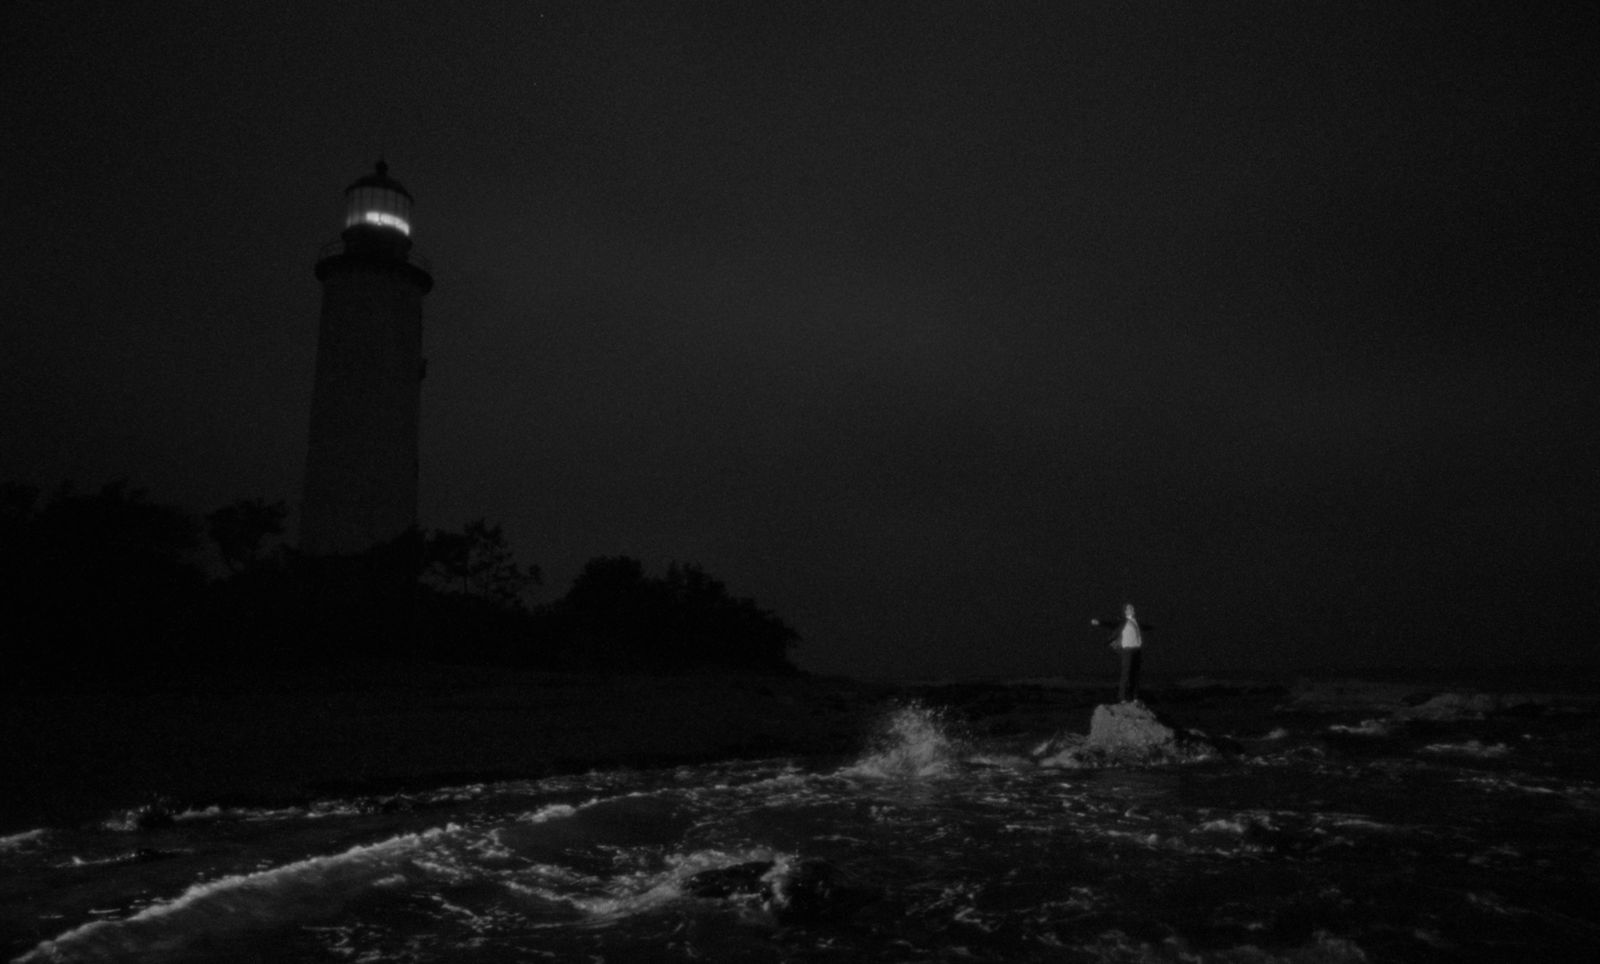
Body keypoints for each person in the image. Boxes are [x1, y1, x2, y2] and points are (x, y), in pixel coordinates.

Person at [1091, 604, 1145, 703]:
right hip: (1127, 649)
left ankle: (1135, 697)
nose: (1132, 609)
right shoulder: (1123, 621)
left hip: (1137, 650)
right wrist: (1099, 622)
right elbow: (1111, 624)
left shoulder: (1136, 621)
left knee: (1135, 674)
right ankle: (1122, 697)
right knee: (1126, 673)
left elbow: (1144, 627)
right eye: (1129, 608)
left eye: (1132, 607)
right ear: (1125, 612)